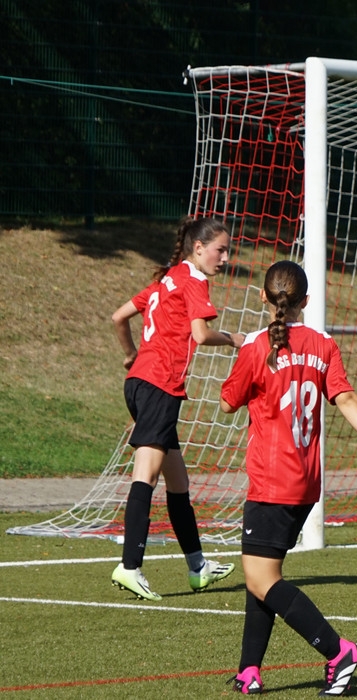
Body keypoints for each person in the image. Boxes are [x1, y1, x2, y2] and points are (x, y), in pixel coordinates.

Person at [220, 260, 357, 696]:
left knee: (261, 578)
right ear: (306, 301)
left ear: (263, 297)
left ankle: (339, 651)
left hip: (271, 480)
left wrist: (246, 358)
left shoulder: (257, 346)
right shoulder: (323, 344)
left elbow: (227, 402)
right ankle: (249, 670)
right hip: (305, 481)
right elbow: (346, 397)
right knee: (262, 573)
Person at [110, 217, 246, 601]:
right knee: (146, 475)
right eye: (221, 250)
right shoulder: (194, 280)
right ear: (198, 248)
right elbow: (200, 335)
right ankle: (130, 566)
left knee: (178, 483)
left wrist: (131, 354)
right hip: (159, 386)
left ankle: (198, 567)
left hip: (139, 382)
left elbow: (119, 317)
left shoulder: (166, 279)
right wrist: (234, 339)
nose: (225, 258)